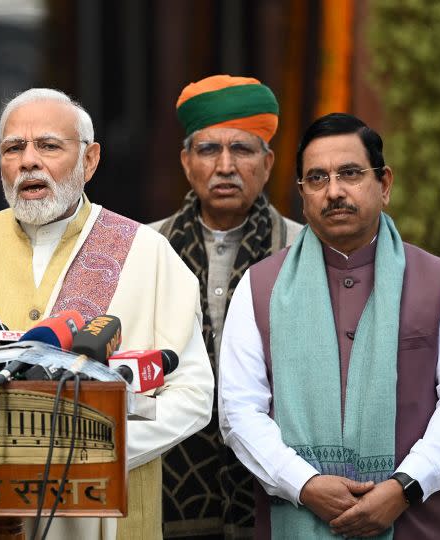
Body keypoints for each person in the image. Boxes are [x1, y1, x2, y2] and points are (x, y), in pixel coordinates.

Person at [0, 88, 215, 539]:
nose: (29, 160)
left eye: (49, 145)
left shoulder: (145, 254)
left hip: (102, 517)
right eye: (14, 148)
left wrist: (87, 452)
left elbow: (193, 394)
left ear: (89, 161)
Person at [218, 112, 440, 538]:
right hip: (297, 515)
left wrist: (404, 487)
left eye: (350, 174)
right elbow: (239, 410)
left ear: (383, 185)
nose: (335, 191)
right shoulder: (259, 287)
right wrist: (304, 485)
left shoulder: (438, 281)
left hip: (415, 520)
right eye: (317, 178)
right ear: (302, 194)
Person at [150, 75, 302, 539]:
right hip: (170, 479)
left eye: (243, 150)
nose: (225, 165)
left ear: (268, 162)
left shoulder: (301, 250)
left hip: (275, 476)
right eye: (209, 150)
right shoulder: (145, 247)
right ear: (186, 161)